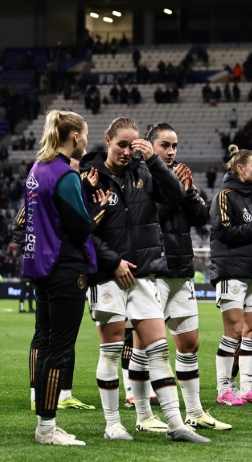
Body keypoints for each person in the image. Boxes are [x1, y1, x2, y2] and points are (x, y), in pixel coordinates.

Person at [82, 116, 209, 443]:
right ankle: (113, 425)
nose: (126, 151)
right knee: (111, 351)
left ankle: (176, 425)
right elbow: (82, 232)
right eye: (121, 144)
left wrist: (152, 158)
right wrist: (112, 262)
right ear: (107, 140)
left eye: (131, 145)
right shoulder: (90, 180)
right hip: (108, 276)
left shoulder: (145, 172)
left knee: (158, 349)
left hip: (143, 273)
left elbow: (177, 195)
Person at [21, 110, 102, 446]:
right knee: (61, 349)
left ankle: (44, 418)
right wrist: (99, 213)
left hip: (41, 264)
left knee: (45, 341)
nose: (86, 140)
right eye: (85, 134)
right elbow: (80, 225)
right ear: (74, 137)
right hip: (65, 266)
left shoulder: (38, 169)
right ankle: (47, 427)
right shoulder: (65, 175)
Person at [147, 123, 229, 430]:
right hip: (154, 269)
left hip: (181, 268)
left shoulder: (179, 173)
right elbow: (150, 220)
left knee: (190, 343)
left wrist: (189, 192)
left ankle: (195, 411)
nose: (171, 152)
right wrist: (174, 192)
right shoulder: (142, 177)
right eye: (164, 145)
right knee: (150, 346)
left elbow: (201, 218)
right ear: (150, 146)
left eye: (174, 146)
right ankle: (145, 413)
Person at [210, 146, 252, 406]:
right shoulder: (225, 196)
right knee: (233, 332)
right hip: (232, 270)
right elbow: (224, 233)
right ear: (240, 169)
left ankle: (247, 389)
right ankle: (224, 388)